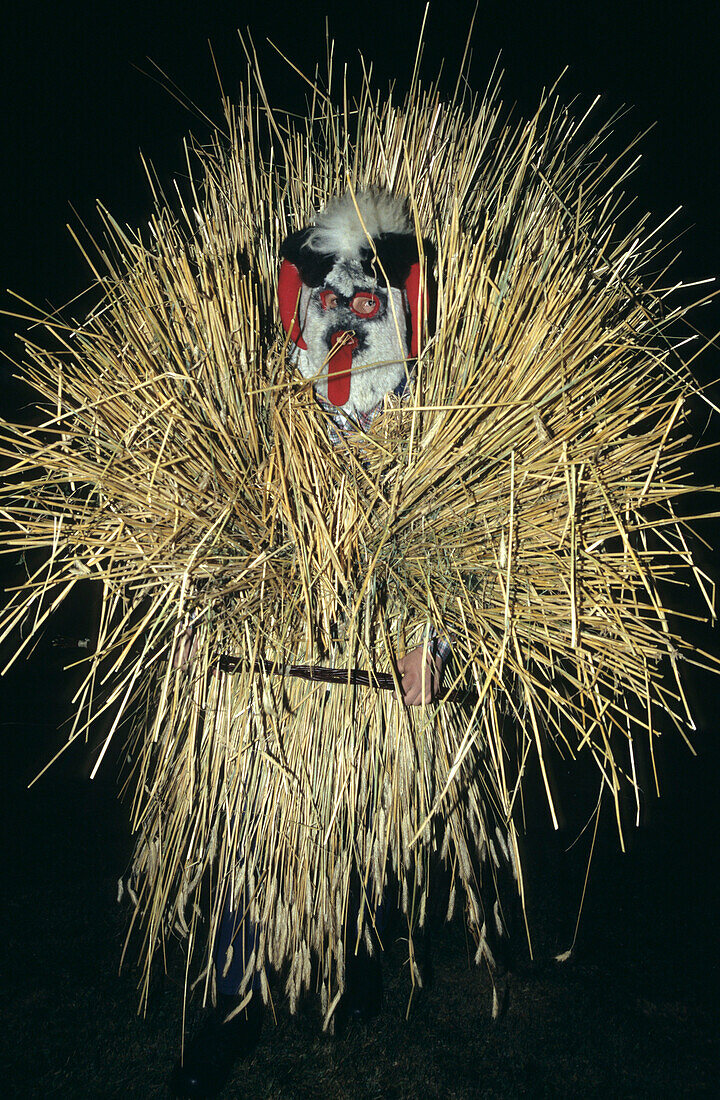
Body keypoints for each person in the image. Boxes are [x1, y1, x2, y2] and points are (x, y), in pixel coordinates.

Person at [171, 190, 448, 1098]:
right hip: (265, 686)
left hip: (363, 684)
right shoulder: (255, 428)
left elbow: (448, 553)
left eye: (370, 305)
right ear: (300, 304)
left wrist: (427, 641)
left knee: (357, 825)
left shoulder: (419, 442)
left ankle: (350, 961)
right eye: (332, 302)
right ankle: (233, 1000)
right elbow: (200, 540)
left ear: (400, 308)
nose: (348, 323)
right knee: (251, 843)